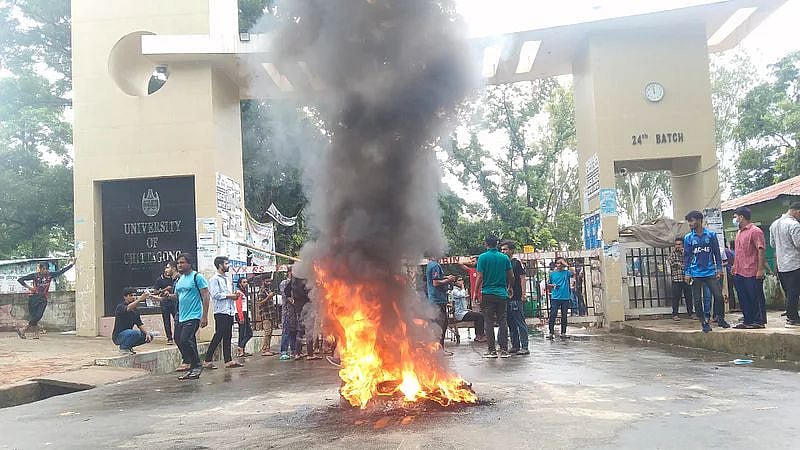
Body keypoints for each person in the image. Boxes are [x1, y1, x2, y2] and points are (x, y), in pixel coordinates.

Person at [683, 210, 730, 333]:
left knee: (719, 297)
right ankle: (703, 321)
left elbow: (716, 254)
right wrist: (687, 273)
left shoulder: (711, 235)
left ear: (699, 220)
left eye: (692, 221)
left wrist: (719, 269)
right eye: (689, 221)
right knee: (698, 300)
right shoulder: (688, 238)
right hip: (695, 273)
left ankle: (720, 318)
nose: (690, 224)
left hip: (710, 272)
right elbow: (687, 257)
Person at [16, 259, 74, 339]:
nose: (45, 270)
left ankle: (24, 329)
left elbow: (61, 271)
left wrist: (72, 264)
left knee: (39, 315)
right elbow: (20, 280)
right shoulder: (35, 275)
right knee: (34, 317)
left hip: (43, 298)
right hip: (33, 297)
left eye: (47, 269)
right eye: (44, 269)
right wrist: (30, 288)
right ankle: (36, 334)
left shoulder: (50, 275)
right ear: (40, 269)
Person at [475, 235, 513, 359]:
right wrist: (509, 287)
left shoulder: (482, 258)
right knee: (503, 321)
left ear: (486, 243)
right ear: (497, 244)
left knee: (489, 321)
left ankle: (491, 351)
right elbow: (511, 275)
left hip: (487, 294)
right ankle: (504, 350)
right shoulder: (504, 258)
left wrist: (475, 292)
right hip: (502, 294)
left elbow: (480, 276)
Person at [174, 253, 211, 380]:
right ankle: (192, 368)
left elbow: (206, 295)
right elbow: (178, 296)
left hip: (194, 315)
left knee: (185, 339)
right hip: (181, 315)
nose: (179, 265)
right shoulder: (180, 279)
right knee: (178, 339)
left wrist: (205, 316)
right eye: (178, 263)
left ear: (189, 263)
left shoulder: (197, 277)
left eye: (182, 262)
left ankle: (196, 365)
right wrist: (167, 296)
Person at [731, 207, 768, 329]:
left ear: (741, 217)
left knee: (755, 297)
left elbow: (761, 250)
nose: (734, 219)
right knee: (743, 297)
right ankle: (748, 320)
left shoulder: (755, 231)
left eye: (735, 217)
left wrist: (760, 269)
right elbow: (738, 252)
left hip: (752, 271)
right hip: (739, 271)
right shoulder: (739, 232)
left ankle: (758, 321)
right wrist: (735, 266)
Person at [203, 256, 242, 370]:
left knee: (228, 336)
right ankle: (207, 359)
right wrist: (230, 296)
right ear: (220, 265)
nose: (228, 265)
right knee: (218, 335)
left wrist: (234, 295)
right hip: (221, 311)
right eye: (226, 263)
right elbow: (215, 295)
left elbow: (227, 293)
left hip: (229, 310)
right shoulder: (214, 279)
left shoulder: (227, 279)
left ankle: (228, 360)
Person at [769, 202, 800, 327]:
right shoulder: (794, 225)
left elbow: (772, 244)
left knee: (789, 292)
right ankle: (792, 318)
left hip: (782, 265)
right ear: (798, 211)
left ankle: (792, 315)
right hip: (795, 263)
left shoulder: (774, 224)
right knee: (794, 292)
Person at [500, 241, 529, 355]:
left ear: (511, 250)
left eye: (505, 249)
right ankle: (515, 345)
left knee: (519, 322)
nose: (503, 252)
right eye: (502, 250)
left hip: (516, 296)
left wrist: (523, 294)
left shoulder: (516, 263)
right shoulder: (503, 263)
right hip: (506, 296)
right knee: (510, 322)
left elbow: (522, 278)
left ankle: (525, 346)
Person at [426, 255, 456, 356]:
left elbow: (436, 278)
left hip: (434, 299)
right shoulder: (435, 266)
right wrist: (449, 280)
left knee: (437, 325)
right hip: (438, 300)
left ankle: (435, 348)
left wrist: (446, 277)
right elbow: (436, 282)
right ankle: (439, 349)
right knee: (441, 325)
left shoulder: (430, 264)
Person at [112, 287, 155, 354]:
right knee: (135, 333)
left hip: (129, 334)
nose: (133, 297)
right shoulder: (120, 307)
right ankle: (123, 348)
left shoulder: (135, 310)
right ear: (125, 297)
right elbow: (128, 308)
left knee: (149, 336)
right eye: (131, 295)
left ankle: (128, 346)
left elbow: (140, 324)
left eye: (134, 295)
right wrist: (140, 299)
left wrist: (147, 333)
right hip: (119, 336)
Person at [450, 277, 486, 342]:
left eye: (462, 280)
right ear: (455, 282)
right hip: (460, 314)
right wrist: (463, 286)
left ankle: (478, 335)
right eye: (459, 280)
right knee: (480, 316)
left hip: (464, 312)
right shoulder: (455, 291)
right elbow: (462, 294)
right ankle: (480, 335)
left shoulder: (459, 290)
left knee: (479, 315)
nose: (462, 281)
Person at [152, 261, 179, 344]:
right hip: (165, 303)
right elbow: (155, 291)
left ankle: (177, 336)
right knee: (166, 321)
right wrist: (165, 289)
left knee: (177, 320)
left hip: (174, 302)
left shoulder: (175, 278)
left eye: (168, 267)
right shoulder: (160, 279)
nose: (166, 270)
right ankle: (169, 338)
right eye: (166, 268)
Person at [668, 237, 694, 320]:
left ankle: (691, 313)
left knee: (689, 297)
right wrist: (681, 264)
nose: (677, 246)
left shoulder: (687, 253)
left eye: (679, 244)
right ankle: (675, 314)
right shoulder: (673, 254)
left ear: (683, 245)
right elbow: (671, 263)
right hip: (676, 279)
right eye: (676, 244)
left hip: (687, 279)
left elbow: (690, 262)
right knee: (676, 298)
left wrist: (684, 255)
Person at [547, 258, 573, 339]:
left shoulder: (566, 273)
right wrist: (552, 285)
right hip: (555, 297)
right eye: (558, 263)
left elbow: (574, 273)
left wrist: (567, 265)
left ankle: (563, 332)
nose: (559, 265)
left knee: (564, 315)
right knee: (553, 315)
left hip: (565, 297)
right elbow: (548, 284)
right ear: (555, 264)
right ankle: (551, 332)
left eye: (561, 263)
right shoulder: (552, 274)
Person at [235, 277, 254, 358]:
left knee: (243, 333)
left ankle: (241, 350)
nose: (246, 284)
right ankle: (241, 347)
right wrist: (241, 317)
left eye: (246, 282)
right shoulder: (238, 292)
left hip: (244, 313)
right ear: (240, 284)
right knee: (248, 333)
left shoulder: (244, 292)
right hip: (241, 313)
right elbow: (238, 305)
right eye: (244, 282)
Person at [257, 285, 278, 356]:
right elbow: (260, 303)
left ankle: (268, 349)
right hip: (265, 314)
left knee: (270, 332)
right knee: (267, 332)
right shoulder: (261, 291)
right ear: (263, 281)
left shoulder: (268, 289)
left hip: (271, 314)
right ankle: (264, 350)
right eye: (267, 281)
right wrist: (268, 297)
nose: (269, 283)